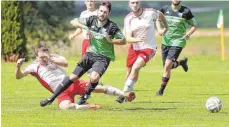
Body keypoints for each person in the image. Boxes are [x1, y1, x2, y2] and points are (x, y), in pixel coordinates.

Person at [40, 1, 128, 106]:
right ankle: (51, 98)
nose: (102, 14)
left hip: (103, 57)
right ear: (98, 11)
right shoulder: (91, 20)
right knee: (72, 77)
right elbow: (73, 21)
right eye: (100, 11)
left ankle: (86, 95)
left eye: (105, 12)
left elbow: (123, 40)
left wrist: (111, 41)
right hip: (90, 54)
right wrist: (84, 27)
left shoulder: (112, 27)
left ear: (108, 14)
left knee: (94, 78)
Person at [15, 45, 135, 110]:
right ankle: (88, 106)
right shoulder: (33, 67)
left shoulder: (53, 57)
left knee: (99, 88)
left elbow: (65, 63)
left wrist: (50, 58)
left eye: (45, 56)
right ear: (37, 57)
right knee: (65, 107)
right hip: (60, 91)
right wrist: (18, 67)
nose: (44, 59)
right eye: (42, 57)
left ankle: (125, 94)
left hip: (71, 83)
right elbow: (19, 77)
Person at [116, 0, 168, 103]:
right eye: (132, 3)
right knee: (130, 72)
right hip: (134, 48)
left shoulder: (150, 12)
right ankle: (129, 94)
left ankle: (123, 94)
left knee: (136, 67)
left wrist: (165, 27)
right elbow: (128, 38)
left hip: (149, 48)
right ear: (129, 4)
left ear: (140, 3)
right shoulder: (128, 19)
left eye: (136, 2)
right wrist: (138, 39)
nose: (135, 5)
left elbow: (160, 15)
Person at [156, 0, 197, 96]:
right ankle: (181, 62)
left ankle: (161, 91)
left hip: (178, 41)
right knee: (166, 66)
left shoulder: (186, 11)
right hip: (165, 41)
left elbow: (194, 25)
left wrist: (188, 34)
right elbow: (157, 19)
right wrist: (159, 29)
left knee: (167, 66)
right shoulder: (164, 9)